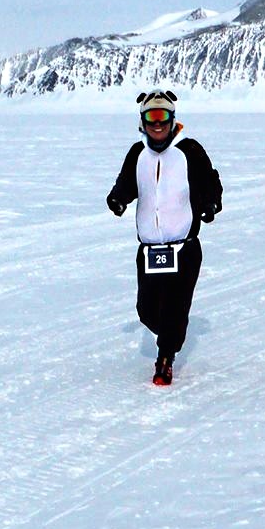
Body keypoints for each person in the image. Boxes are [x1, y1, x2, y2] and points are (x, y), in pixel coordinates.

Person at [106, 90, 222, 386]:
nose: (157, 124)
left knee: (175, 305)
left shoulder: (189, 150)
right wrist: (118, 199)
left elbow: (210, 182)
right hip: (150, 251)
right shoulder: (138, 153)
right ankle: (170, 335)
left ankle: (165, 358)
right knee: (147, 310)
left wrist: (210, 205)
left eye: (162, 117)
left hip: (183, 247)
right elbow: (126, 184)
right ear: (142, 121)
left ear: (172, 119)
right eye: (151, 117)